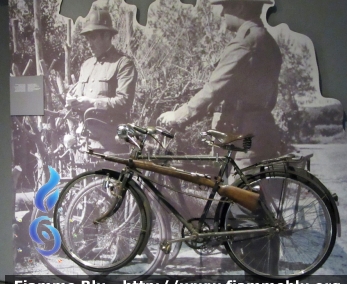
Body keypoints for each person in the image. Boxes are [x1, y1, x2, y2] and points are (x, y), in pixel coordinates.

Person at [157, 0, 285, 164]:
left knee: (235, 188)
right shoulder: (268, 41)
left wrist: (178, 116)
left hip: (240, 133)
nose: (222, 13)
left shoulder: (246, 42)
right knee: (253, 187)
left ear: (240, 6)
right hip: (261, 127)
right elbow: (271, 95)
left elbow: (214, 89)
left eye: (226, 6)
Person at [66, 7, 137, 152]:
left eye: (94, 38)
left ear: (107, 36)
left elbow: (124, 102)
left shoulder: (123, 63)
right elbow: (79, 98)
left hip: (112, 143)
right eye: (87, 39)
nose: (89, 43)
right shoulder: (86, 65)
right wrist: (72, 101)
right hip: (85, 143)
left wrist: (92, 103)